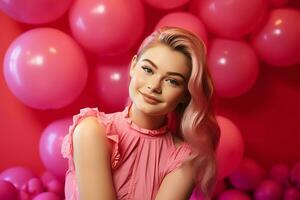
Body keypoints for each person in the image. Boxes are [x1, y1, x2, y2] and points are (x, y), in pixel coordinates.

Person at [61, 26, 220, 200]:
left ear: (185, 94)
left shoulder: (184, 159)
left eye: (172, 81)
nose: (154, 86)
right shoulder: (92, 130)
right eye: (148, 70)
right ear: (133, 66)